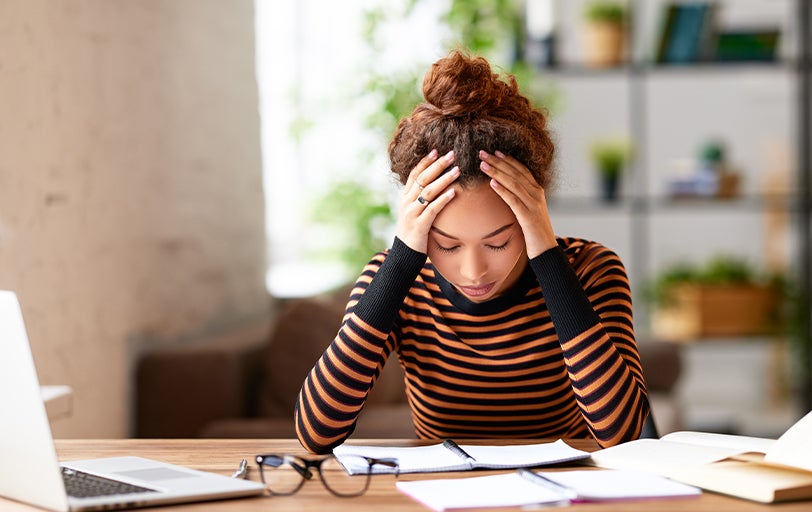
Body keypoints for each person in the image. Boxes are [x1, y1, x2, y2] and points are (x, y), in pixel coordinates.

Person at [295, 50, 649, 454]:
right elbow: (316, 433)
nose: (473, 271)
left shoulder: (591, 270)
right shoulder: (395, 280)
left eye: (498, 242)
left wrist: (546, 256)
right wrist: (401, 259)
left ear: (534, 212)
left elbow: (622, 435)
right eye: (447, 244)